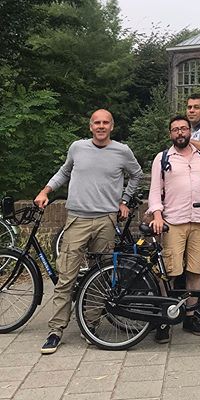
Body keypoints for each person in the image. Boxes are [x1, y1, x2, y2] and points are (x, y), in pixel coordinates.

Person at [34, 109, 143, 355]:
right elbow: (64, 171)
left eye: (105, 123)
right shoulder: (77, 148)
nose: (101, 126)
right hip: (77, 219)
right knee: (66, 275)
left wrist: (124, 200)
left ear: (112, 126)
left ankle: (90, 324)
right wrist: (45, 191)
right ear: (90, 126)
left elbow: (136, 175)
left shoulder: (122, 152)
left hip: (105, 220)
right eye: (97, 123)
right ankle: (56, 330)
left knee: (100, 276)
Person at [148, 115, 200, 342]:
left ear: (189, 131)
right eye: (175, 130)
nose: (180, 133)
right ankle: (165, 318)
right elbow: (155, 190)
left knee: (196, 270)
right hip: (173, 221)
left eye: (184, 129)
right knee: (169, 271)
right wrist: (157, 215)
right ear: (170, 134)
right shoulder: (162, 158)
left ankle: (190, 316)